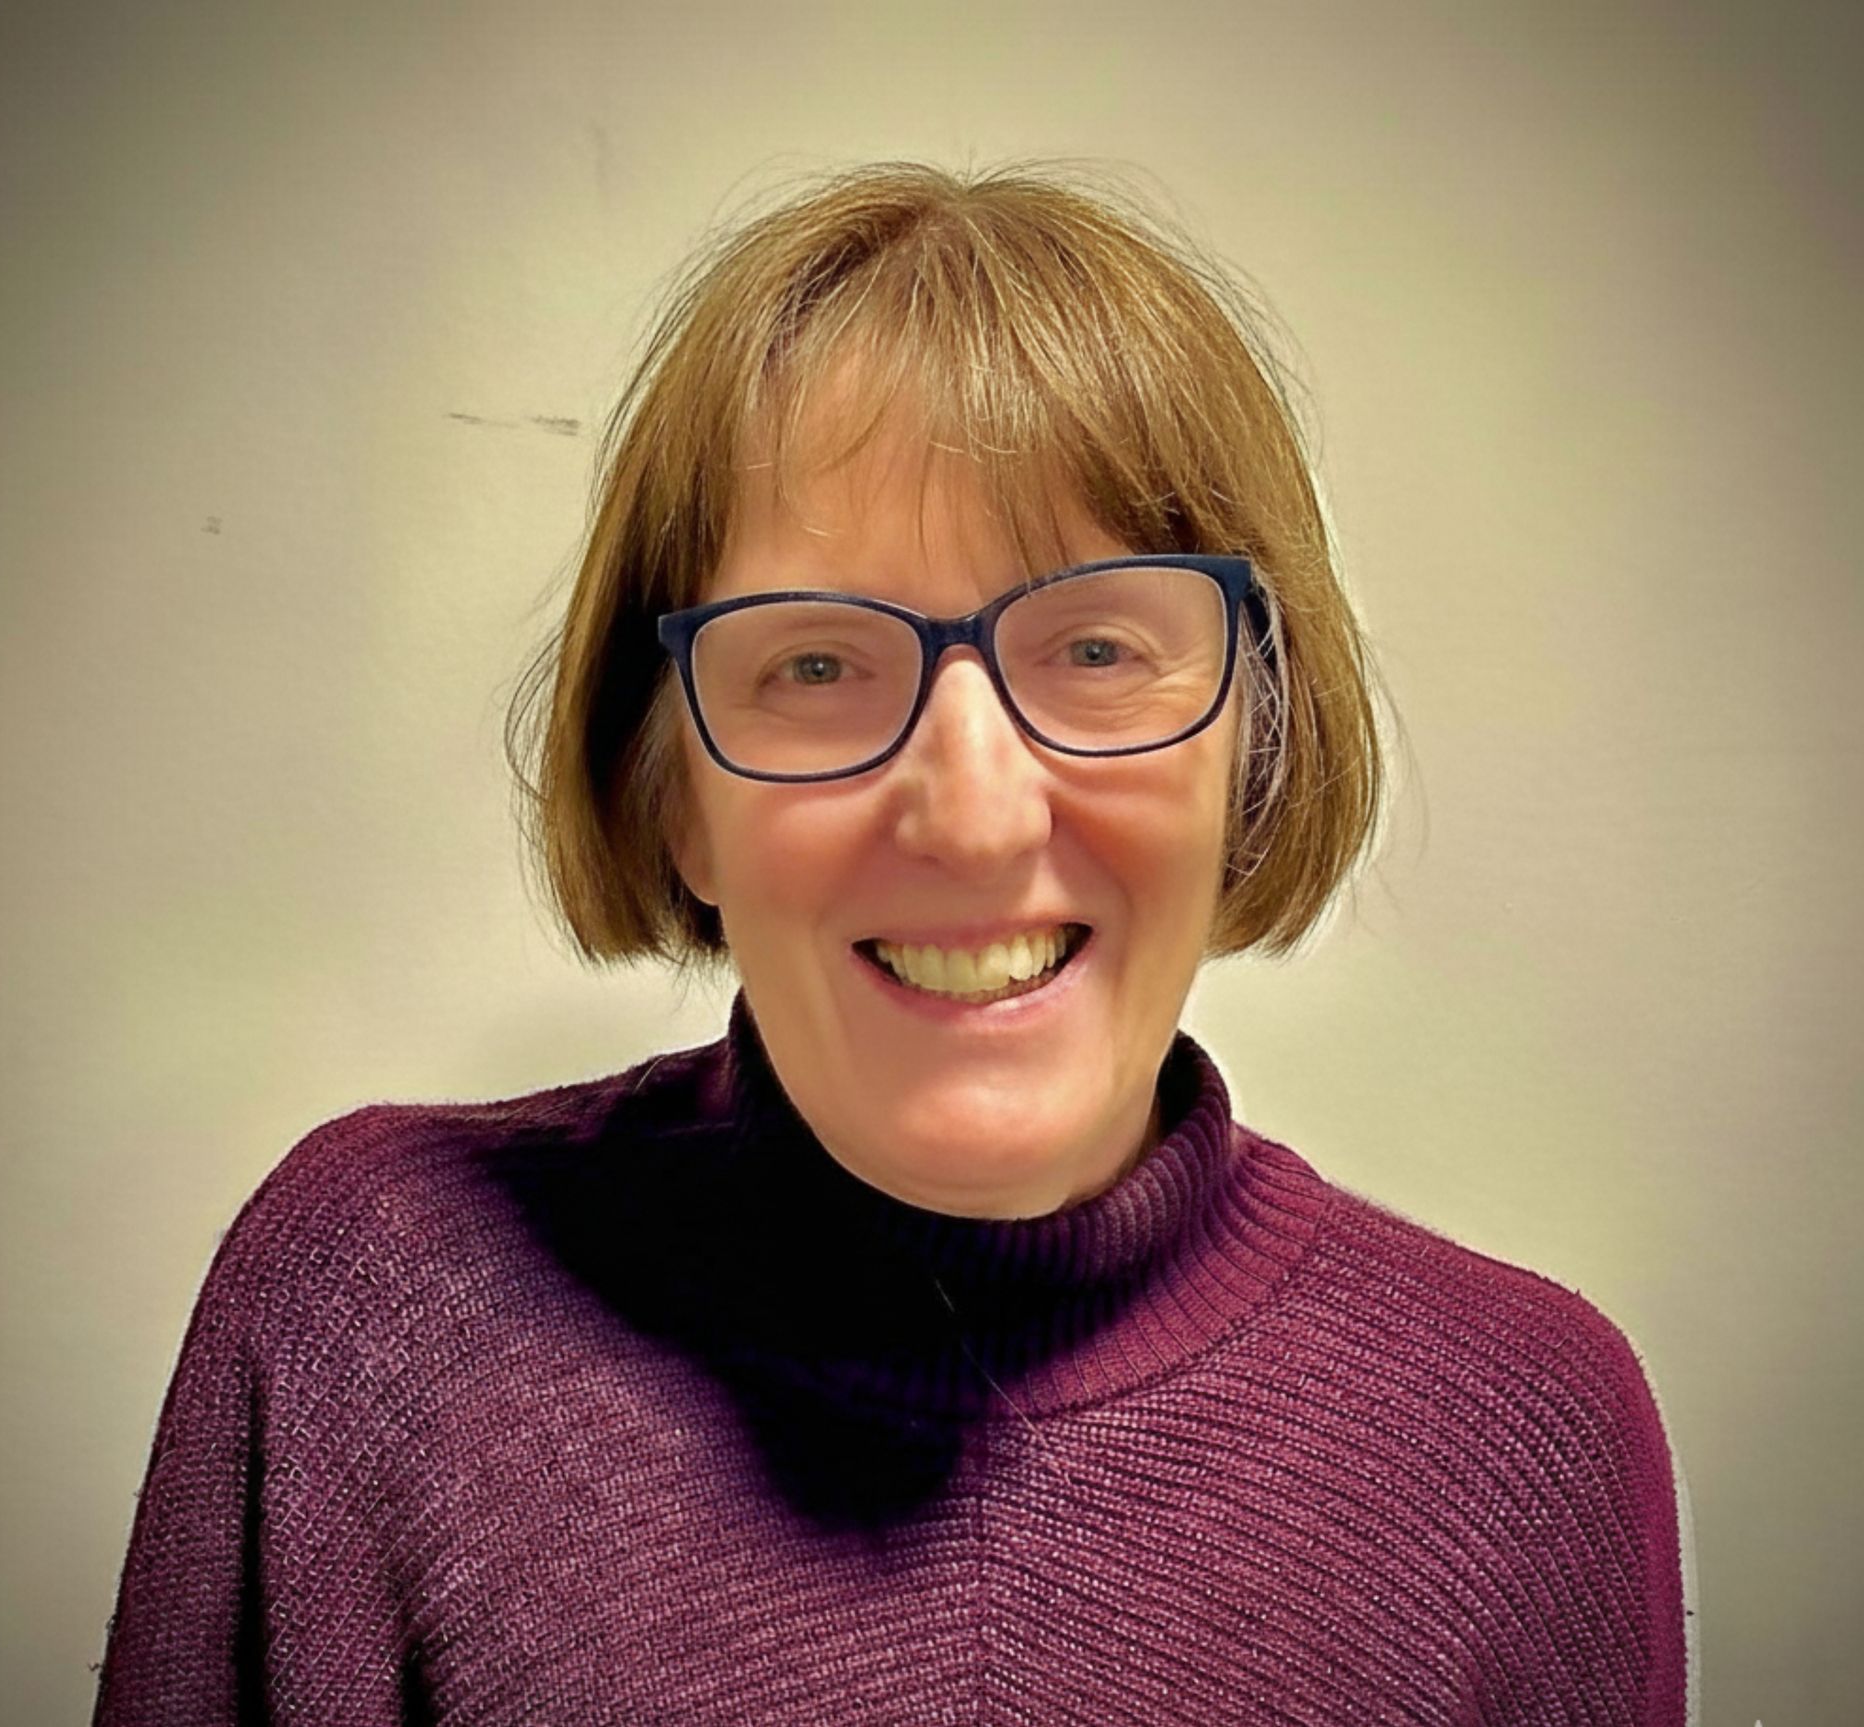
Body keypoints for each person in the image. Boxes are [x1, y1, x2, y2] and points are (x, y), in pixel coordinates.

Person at [91, 162, 1692, 1724]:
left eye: (1096, 644)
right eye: (814, 666)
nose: (974, 817)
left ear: (1254, 751)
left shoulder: (1521, 1437)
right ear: (674, 798)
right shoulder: (376, 1310)